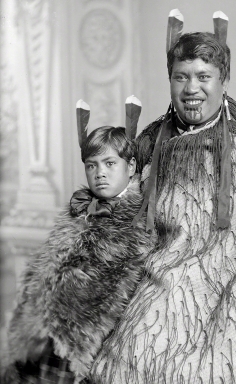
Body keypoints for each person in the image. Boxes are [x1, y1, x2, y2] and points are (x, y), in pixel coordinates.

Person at [88, 11, 236, 383]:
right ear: (170, 81)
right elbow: (120, 208)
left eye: (203, 77)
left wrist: (179, 281)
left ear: (223, 82)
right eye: (181, 77)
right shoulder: (150, 141)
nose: (191, 89)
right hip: (153, 277)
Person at [2, 100, 155, 383]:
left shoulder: (133, 224)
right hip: (40, 335)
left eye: (110, 164)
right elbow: (46, 269)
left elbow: (103, 292)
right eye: (91, 165)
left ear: (131, 166)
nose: (100, 173)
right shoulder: (81, 210)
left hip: (78, 344)